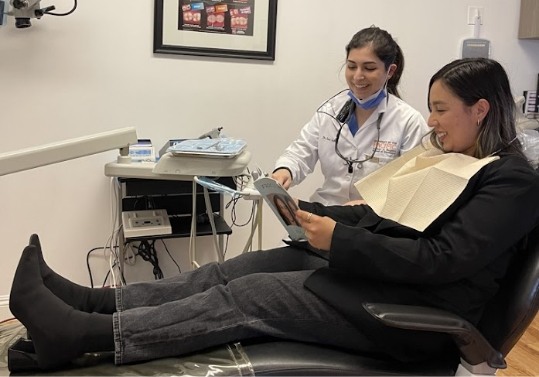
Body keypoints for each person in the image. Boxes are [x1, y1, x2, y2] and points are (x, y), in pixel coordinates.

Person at [9, 58, 539, 372]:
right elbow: (391, 220)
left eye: (441, 109)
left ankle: (83, 335)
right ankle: (91, 302)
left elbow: (441, 260)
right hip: (385, 280)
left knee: (251, 296)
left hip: (416, 317)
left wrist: (339, 242)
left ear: (481, 109)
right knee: (238, 269)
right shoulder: (453, 161)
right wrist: (314, 215)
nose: (431, 120)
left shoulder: (510, 181)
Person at [272, 26, 429, 205]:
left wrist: (369, 203)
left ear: (390, 71)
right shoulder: (329, 111)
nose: (357, 76)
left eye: (369, 68)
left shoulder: (409, 121)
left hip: (374, 221)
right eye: (351, 66)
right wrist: (285, 171)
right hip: (326, 211)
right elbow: (301, 152)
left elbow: (413, 186)